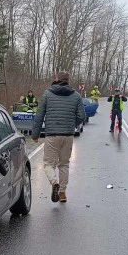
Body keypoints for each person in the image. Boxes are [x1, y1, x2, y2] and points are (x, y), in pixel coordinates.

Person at [32, 71, 86, 203]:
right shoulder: (76, 96)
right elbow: (82, 116)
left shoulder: (47, 94)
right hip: (68, 135)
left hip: (52, 135)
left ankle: (54, 182)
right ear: (68, 80)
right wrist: (71, 125)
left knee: (48, 164)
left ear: (56, 79)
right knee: (64, 164)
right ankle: (62, 192)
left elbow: (39, 116)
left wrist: (35, 134)